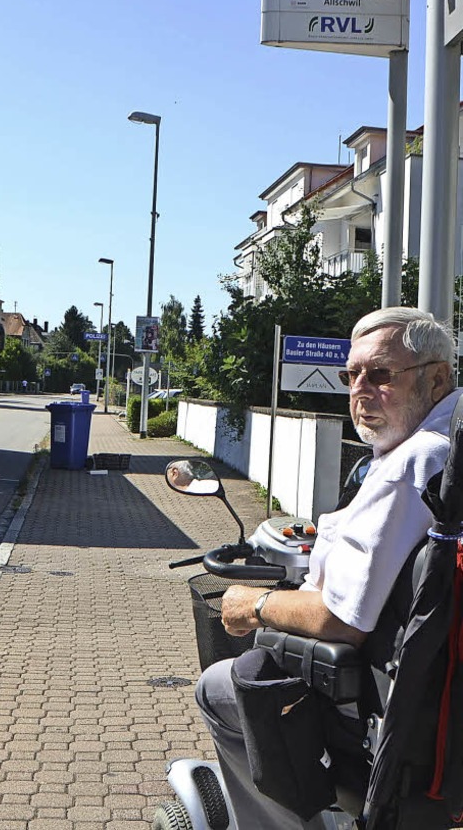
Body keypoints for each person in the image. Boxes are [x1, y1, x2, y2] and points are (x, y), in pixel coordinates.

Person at [195, 307, 460, 830]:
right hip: (434, 711)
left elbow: (343, 621)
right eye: (351, 374)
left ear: (437, 379)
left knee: (220, 684)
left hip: (378, 713)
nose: (360, 390)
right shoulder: (443, 452)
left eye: (381, 374)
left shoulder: (417, 464)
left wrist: (255, 605)